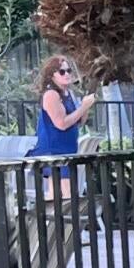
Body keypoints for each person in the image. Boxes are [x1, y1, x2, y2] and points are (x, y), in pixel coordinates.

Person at [30, 55, 94, 189]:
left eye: (68, 71)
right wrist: (83, 107)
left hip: (68, 149)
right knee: (65, 193)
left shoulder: (69, 93)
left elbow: (79, 122)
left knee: (60, 193)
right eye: (62, 72)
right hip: (54, 150)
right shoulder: (51, 94)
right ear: (52, 75)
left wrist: (85, 107)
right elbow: (61, 124)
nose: (67, 74)